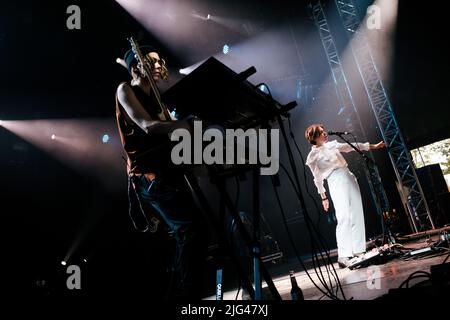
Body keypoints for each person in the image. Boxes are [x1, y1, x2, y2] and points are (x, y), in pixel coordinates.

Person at [115, 44, 206, 298]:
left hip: (167, 170)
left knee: (194, 231)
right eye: (151, 61)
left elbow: (169, 132)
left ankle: (184, 293)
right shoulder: (125, 89)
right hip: (149, 176)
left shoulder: (159, 101)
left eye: (159, 62)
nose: (157, 66)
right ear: (137, 65)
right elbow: (147, 126)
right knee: (190, 231)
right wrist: (182, 124)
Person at [304, 124, 385, 268]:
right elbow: (317, 178)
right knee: (344, 216)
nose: (325, 133)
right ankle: (343, 255)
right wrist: (323, 196)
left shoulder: (332, 145)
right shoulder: (312, 156)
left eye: (324, 131)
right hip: (334, 179)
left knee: (356, 213)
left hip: (347, 175)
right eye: (321, 132)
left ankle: (358, 250)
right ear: (314, 137)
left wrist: (372, 146)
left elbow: (352, 146)